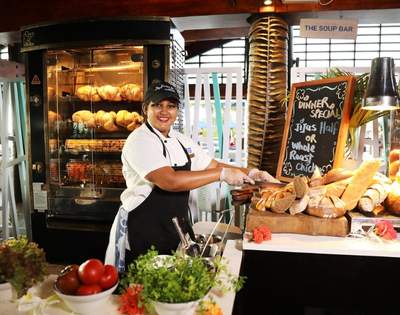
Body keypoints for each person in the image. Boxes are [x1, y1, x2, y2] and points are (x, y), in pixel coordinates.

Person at [105, 80, 278, 271]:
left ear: (177, 110)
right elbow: (169, 181)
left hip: (174, 228)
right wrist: (221, 174)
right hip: (146, 229)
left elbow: (211, 164)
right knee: (147, 289)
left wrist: (253, 172)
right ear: (146, 108)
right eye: (157, 105)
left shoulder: (179, 140)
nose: (164, 112)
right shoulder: (140, 140)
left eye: (170, 106)